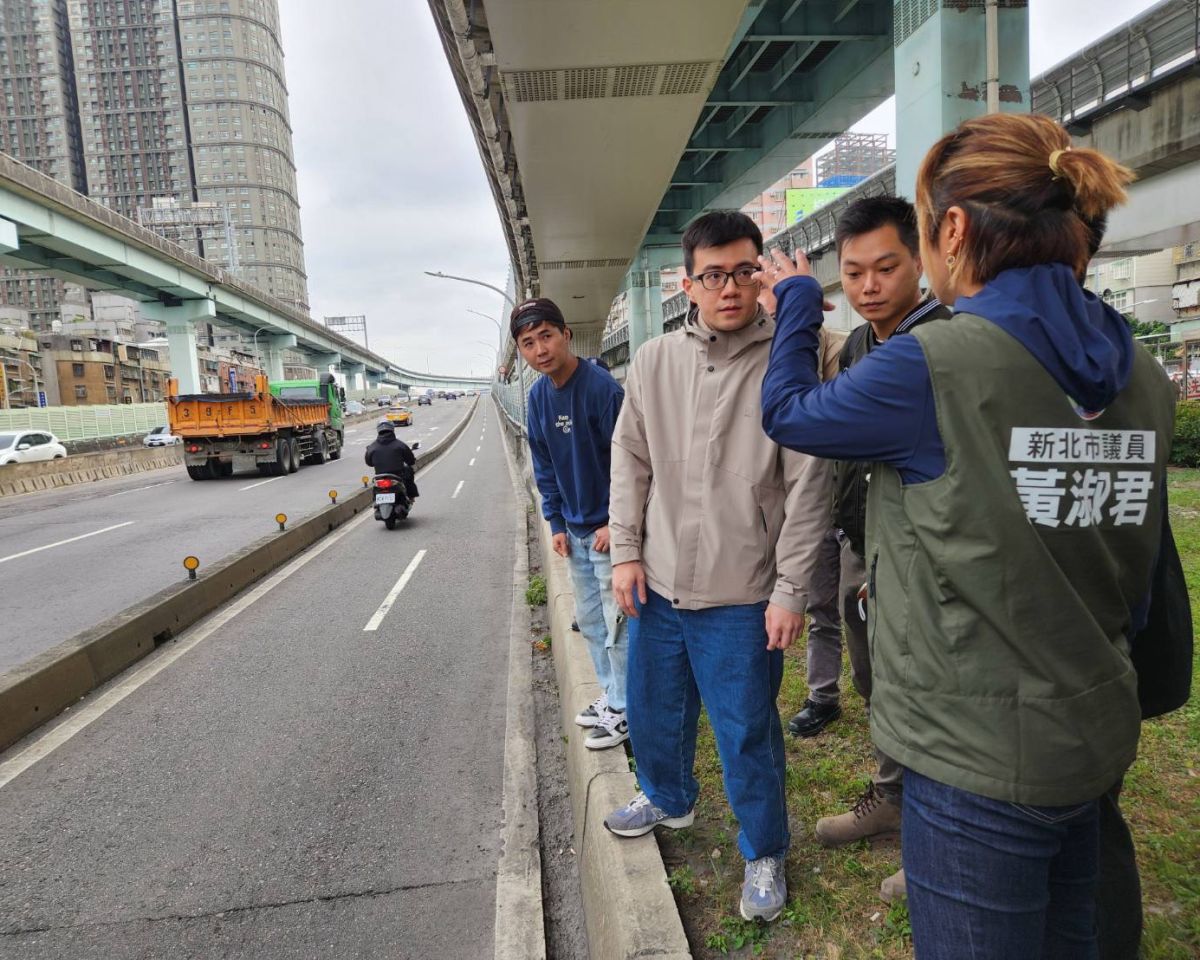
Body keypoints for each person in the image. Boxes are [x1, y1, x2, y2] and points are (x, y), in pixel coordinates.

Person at [758, 112, 1175, 959]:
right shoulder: (1141, 369)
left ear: (951, 229)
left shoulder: (931, 364)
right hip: (1093, 728)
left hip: (974, 758)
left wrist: (799, 301)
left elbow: (788, 413)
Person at [602, 210, 837, 923]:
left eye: (744, 271)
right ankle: (668, 797)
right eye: (714, 274)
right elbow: (630, 461)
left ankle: (764, 849)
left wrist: (791, 588)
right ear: (688, 283)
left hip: (745, 592)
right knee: (651, 709)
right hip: (660, 582)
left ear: (761, 272)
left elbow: (809, 485)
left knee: (745, 730)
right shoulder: (654, 361)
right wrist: (626, 550)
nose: (730, 287)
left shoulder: (796, 358)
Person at [794, 196, 953, 904]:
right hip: (865, 545)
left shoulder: (945, 341)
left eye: (886, 267)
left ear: (921, 261)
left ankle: (935, 840)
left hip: (927, 560)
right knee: (879, 683)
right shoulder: (860, 346)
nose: (868, 286)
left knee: (929, 699)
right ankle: (892, 795)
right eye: (853, 272)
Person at [515, 297, 629, 750]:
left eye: (546, 335)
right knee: (590, 620)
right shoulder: (538, 397)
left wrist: (617, 523)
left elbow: (632, 462)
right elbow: (543, 465)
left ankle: (626, 709)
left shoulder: (602, 389)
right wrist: (556, 521)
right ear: (521, 352)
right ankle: (612, 695)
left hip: (609, 533)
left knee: (618, 625)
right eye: (528, 343)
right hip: (576, 531)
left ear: (566, 334)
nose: (540, 349)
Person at [364, 419, 418, 500]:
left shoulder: (372, 447)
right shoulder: (400, 445)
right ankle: (411, 496)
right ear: (392, 429)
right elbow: (410, 460)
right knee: (408, 473)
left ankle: (376, 502)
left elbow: (369, 463)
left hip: (380, 476)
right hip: (398, 475)